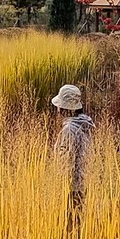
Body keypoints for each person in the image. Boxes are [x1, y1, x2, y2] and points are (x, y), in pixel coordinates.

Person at [51, 84, 95, 228]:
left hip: (71, 189)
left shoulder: (69, 130)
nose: (57, 110)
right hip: (84, 184)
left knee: (70, 229)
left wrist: (58, 188)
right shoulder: (85, 126)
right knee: (79, 226)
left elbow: (66, 162)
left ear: (64, 109)